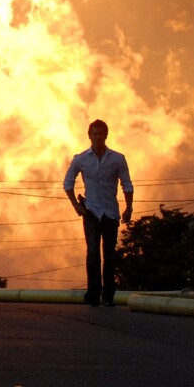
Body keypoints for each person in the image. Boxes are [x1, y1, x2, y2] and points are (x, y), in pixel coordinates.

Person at [63, 119, 134, 307]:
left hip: (110, 212)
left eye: (101, 134)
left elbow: (127, 184)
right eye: (94, 134)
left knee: (109, 254)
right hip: (91, 212)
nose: (98, 137)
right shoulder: (81, 158)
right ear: (89, 135)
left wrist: (129, 207)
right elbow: (67, 183)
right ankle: (93, 293)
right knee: (93, 252)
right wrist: (77, 207)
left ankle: (108, 295)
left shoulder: (117, 158)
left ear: (106, 135)